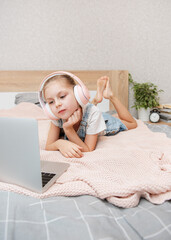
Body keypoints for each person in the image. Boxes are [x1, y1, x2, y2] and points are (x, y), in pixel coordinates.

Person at [40, 73, 137, 158]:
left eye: (62, 97)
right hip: (89, 116)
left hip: (99, 121)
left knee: (132, 124)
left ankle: (110, 95)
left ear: (78, 94)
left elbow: (88, 149)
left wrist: (69, 130)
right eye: (51, 102)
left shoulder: (93, 113)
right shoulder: (57, 116)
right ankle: (95, 100)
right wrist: (59, 143)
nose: (57, 104)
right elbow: (49, 146)